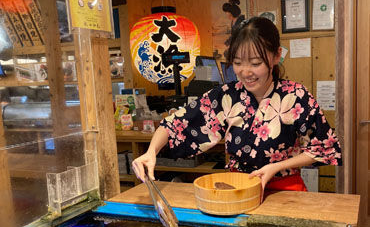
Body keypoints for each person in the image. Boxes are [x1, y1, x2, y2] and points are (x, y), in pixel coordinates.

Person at [132, 17, 342, 199]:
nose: (245, 72)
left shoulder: (296, 96)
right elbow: (176, 124)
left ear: (276, 56)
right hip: (237, 188)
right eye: (238, 62)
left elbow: (323, 148)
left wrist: (276, 167)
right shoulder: (226, 95)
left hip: (285, 191)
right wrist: (151, 152)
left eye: (255, 63)